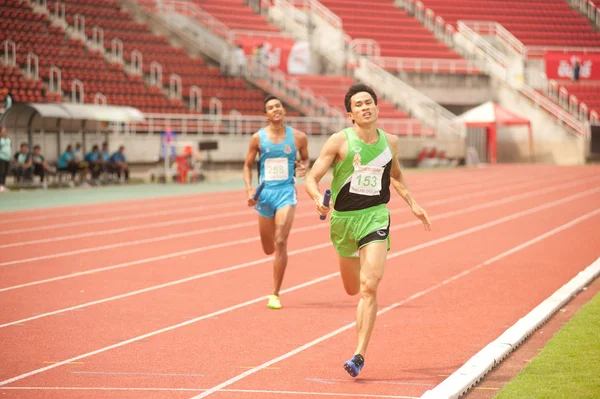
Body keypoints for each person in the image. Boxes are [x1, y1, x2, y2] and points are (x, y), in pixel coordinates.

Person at [305, 83, 432, 378]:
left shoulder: (391, 142)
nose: (365, 107)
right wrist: (316, 198)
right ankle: (359, 338)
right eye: (358, 105)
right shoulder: (340, 141)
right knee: (352, 288)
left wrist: (413, 204)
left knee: (369, 286)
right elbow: (312, 177)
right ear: (350, 113)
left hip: (375, 217)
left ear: (377, 107)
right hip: (343, 221)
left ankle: (359, 354)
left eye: (369, 103)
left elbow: (396, 175)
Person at [243, 95, 310, 310]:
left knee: (281, 241)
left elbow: (306, 159)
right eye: (271, 108)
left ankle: (275, 293)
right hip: (265, 195)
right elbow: (246, 166)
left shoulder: (298, 137)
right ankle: (274, 259)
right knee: (268, 248)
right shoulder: (257, 138)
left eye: (278, 106)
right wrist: (249, 189)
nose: (275, 109)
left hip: (286, 193)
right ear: (266, 115)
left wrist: (303, 167)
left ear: (284, 110)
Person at [0, 126, 11, 192]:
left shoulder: (8, 139)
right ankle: (0, 186)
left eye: (5, 131)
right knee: (1, 172)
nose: (4, 133)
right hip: (1, 158)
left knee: (5, 173)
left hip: (7, 158)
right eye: (3, 131)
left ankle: (3, 185)